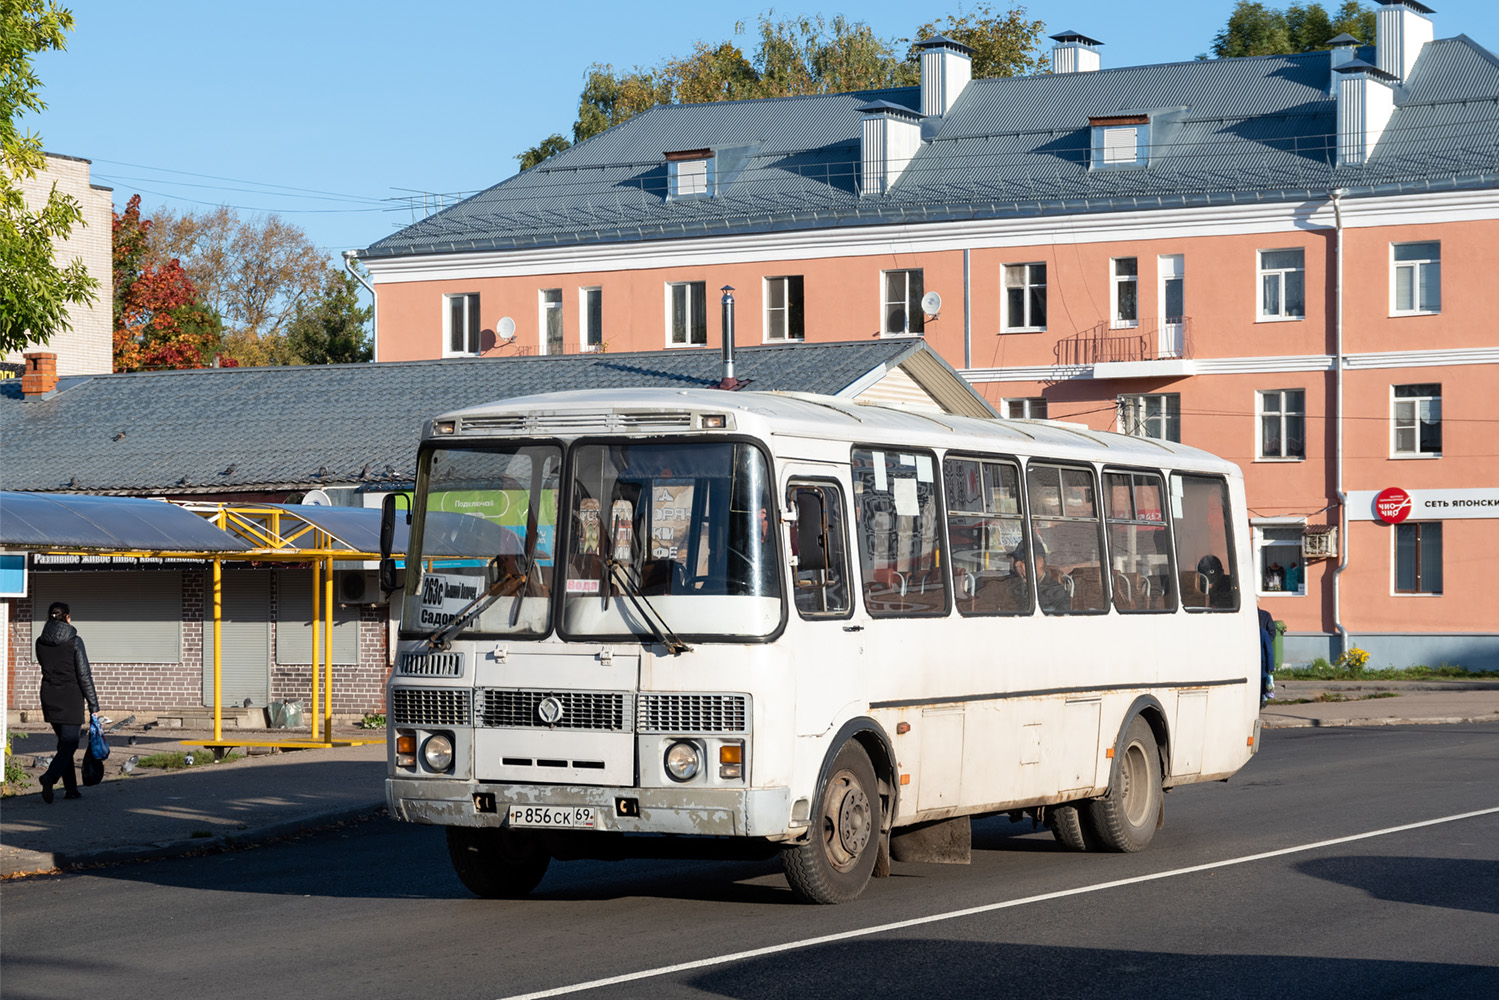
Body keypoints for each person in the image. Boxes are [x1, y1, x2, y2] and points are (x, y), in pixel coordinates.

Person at [35, 601, 100, 803]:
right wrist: (94, 706)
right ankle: (50, 777)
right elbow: (84, 675)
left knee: (65, 744)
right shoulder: (75, 641)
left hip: (49, 696)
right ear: (68, 617)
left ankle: (71, 789)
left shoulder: (39, 642)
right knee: (70, 743)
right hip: (70, 698)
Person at [1007, 539, 1071, 614]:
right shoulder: (1010, 586)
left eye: (1022, 559)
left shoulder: (1057, 593)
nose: (1016, 564)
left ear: (1040, 562)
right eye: (1016, 559)